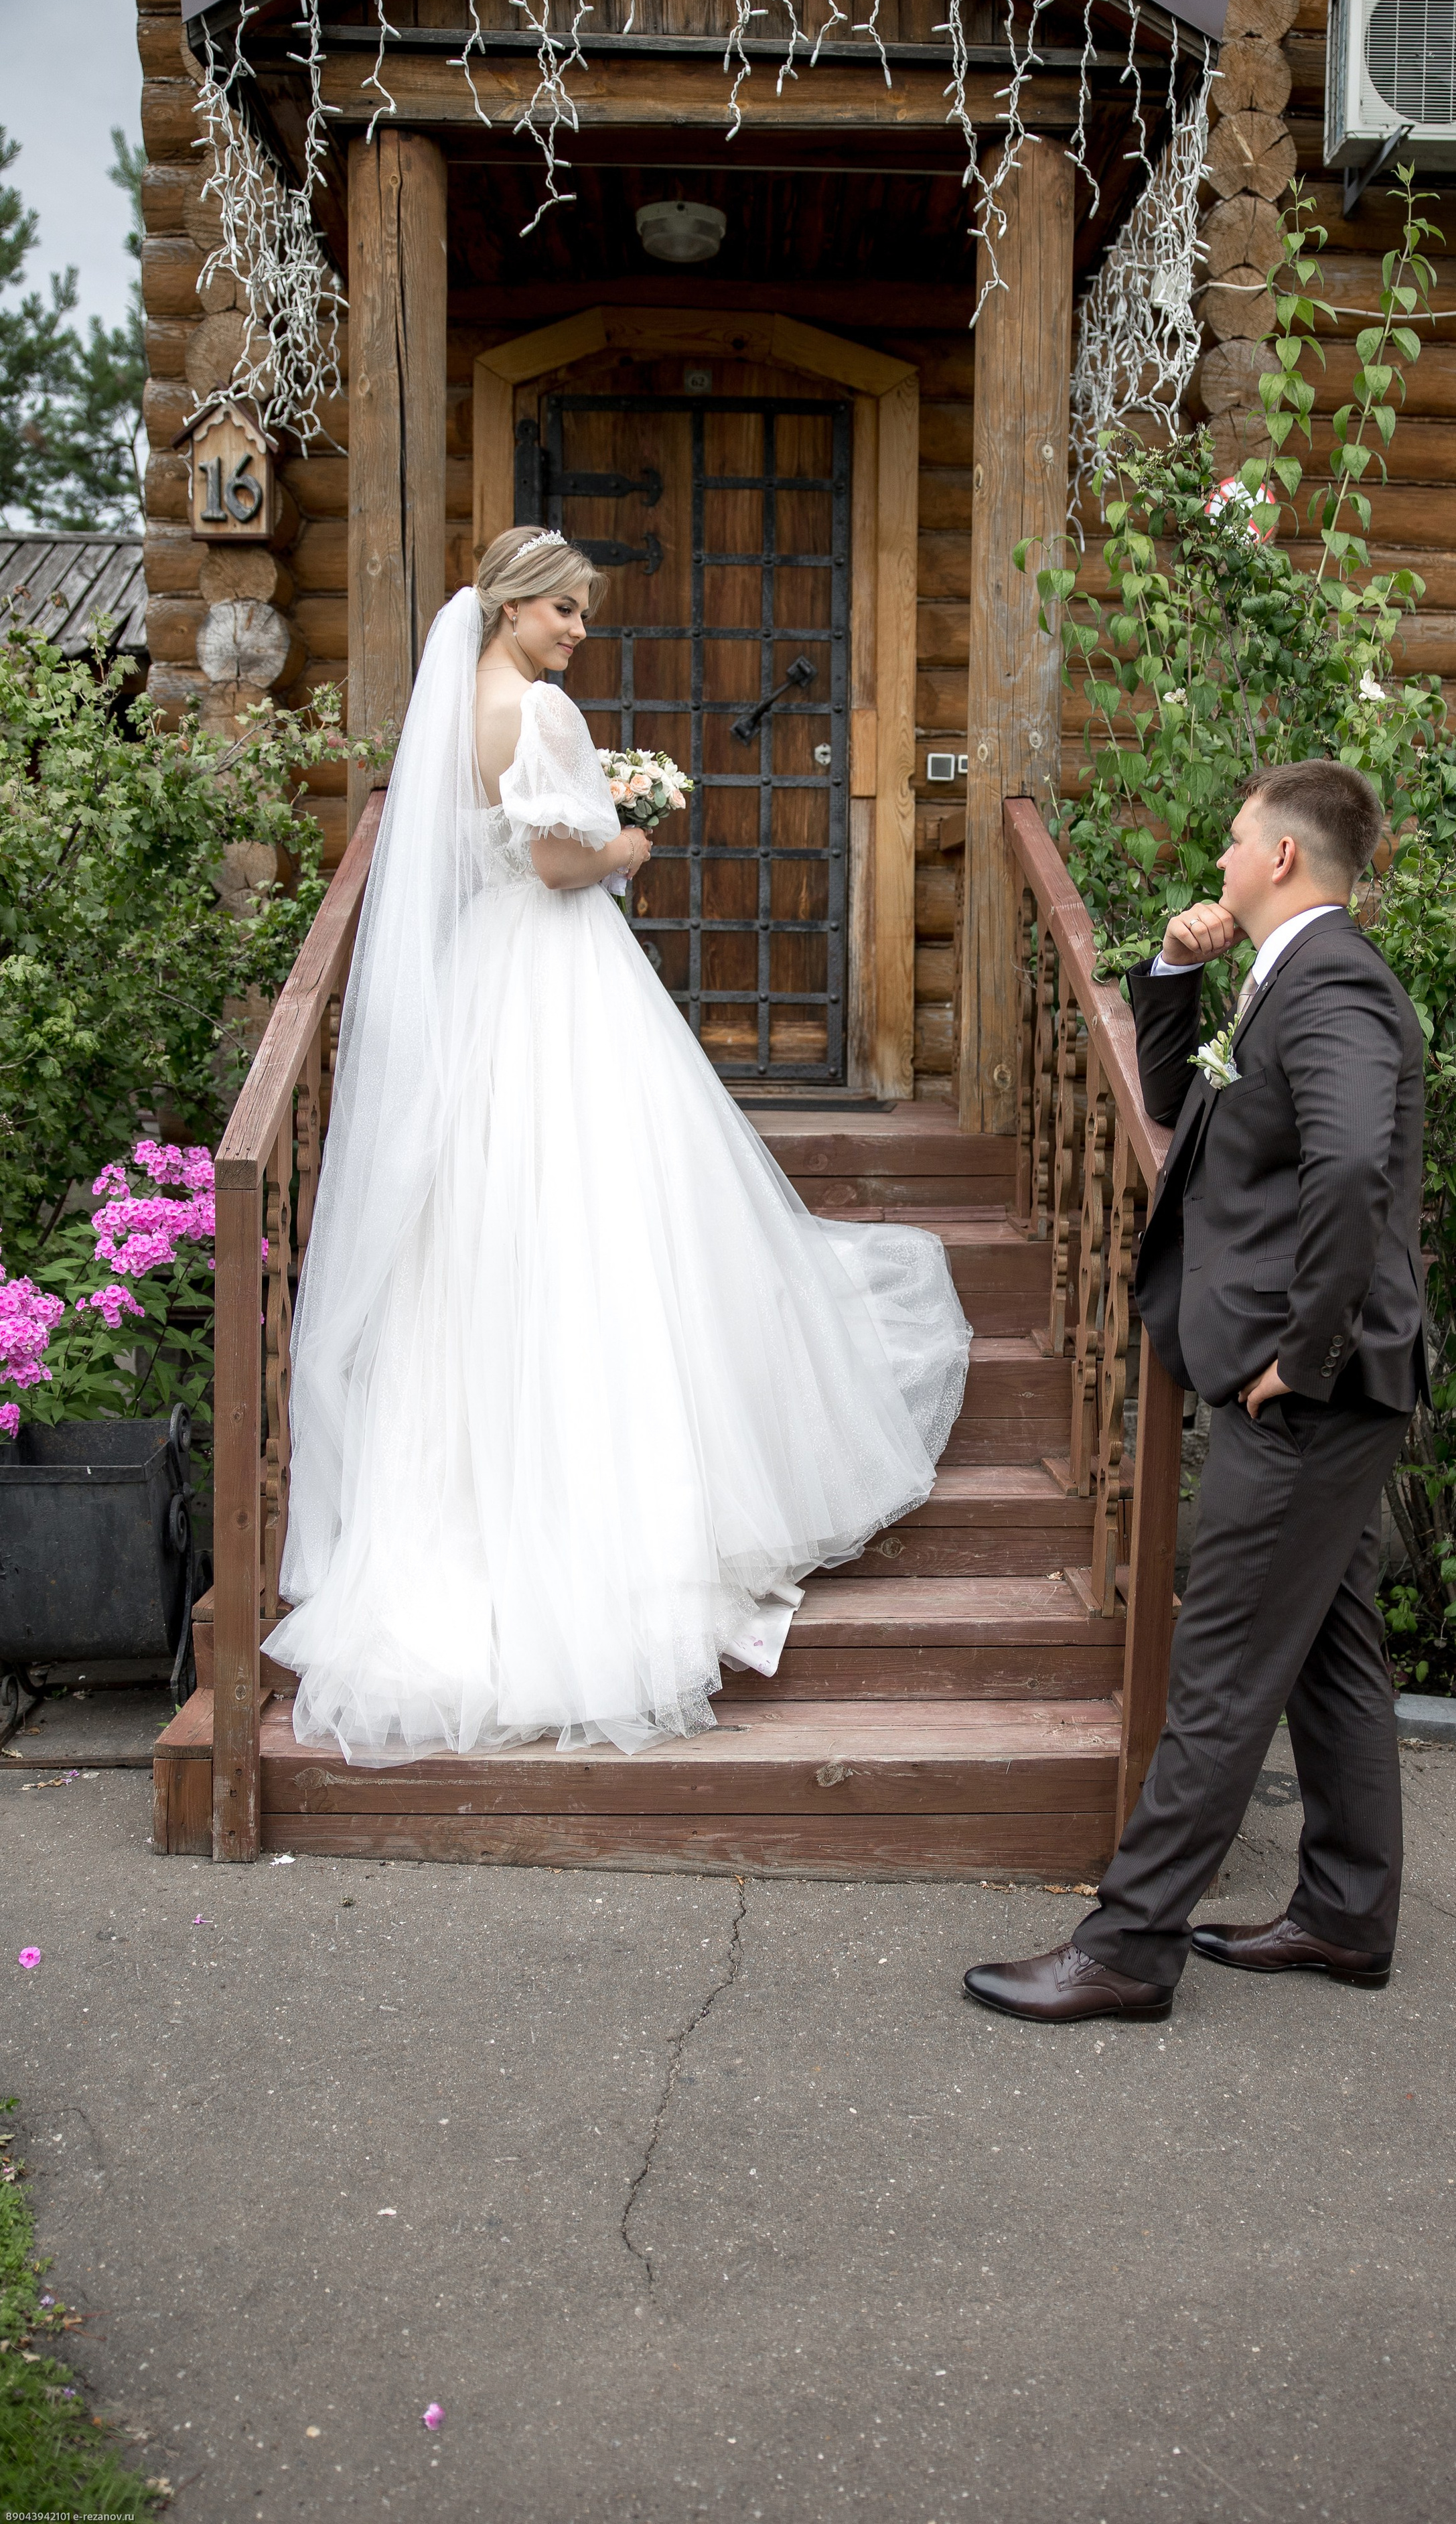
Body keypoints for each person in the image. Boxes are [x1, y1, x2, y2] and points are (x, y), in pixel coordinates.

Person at [267, 529, 970, 1762]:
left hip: (494, 983)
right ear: (516, 609)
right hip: (556, 977)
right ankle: (621, 1549)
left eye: (582, 614)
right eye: (569, 612)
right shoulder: (534, 712)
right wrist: (630, 843)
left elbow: (493, 861)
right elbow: (551, 863)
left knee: (508, 1232)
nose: (581, 632)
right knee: (600, 1214)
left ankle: (490, 1515)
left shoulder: (466, 712)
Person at [964, 759, 1427, 2023]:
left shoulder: (1333, 985)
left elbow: (1348, 1172)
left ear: (1283, 857)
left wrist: (1304, 1355)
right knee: (1331, 1654)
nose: (1218, 863)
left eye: (1232, 843)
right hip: (1327, 1384)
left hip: (1314, 1394)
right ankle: (1344, 1915)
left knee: (1220, 1666)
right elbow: (1181, 1111)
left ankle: (1128, 1946)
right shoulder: (1281, 983)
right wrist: (1172, 975)